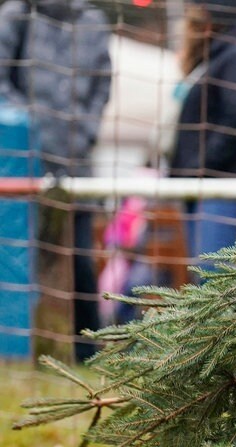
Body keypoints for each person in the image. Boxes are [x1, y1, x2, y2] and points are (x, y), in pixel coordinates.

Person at [0, 0, 112, 360]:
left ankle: (86, 351)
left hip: (76, 165)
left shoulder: (94, 21)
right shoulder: (17, 15)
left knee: (79, 258)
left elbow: (102, 87)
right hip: (21, 165)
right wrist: (30, 130)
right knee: (16, 259)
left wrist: (86, 132)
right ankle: (19, 348)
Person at [168, 0, 236, 280]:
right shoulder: (219, 54)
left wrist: (198, 167)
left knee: (213, 281)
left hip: (223, 187)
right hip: (205, 188)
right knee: (207, 279)